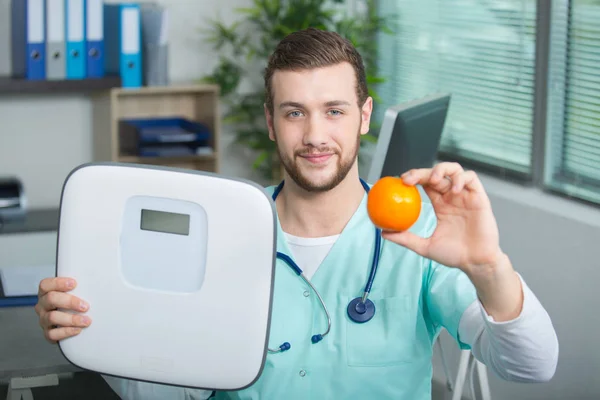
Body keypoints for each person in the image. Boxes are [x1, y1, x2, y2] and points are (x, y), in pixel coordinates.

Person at [35, 28, 559, 400]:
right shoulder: (224, 232)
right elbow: (171, 390)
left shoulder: (418, 231)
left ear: (364, 117)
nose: (314, 136)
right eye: (294, 113)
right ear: (270, 121)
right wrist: (95, 332)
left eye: (334, 111)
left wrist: (489, 266)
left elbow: (532, 365)